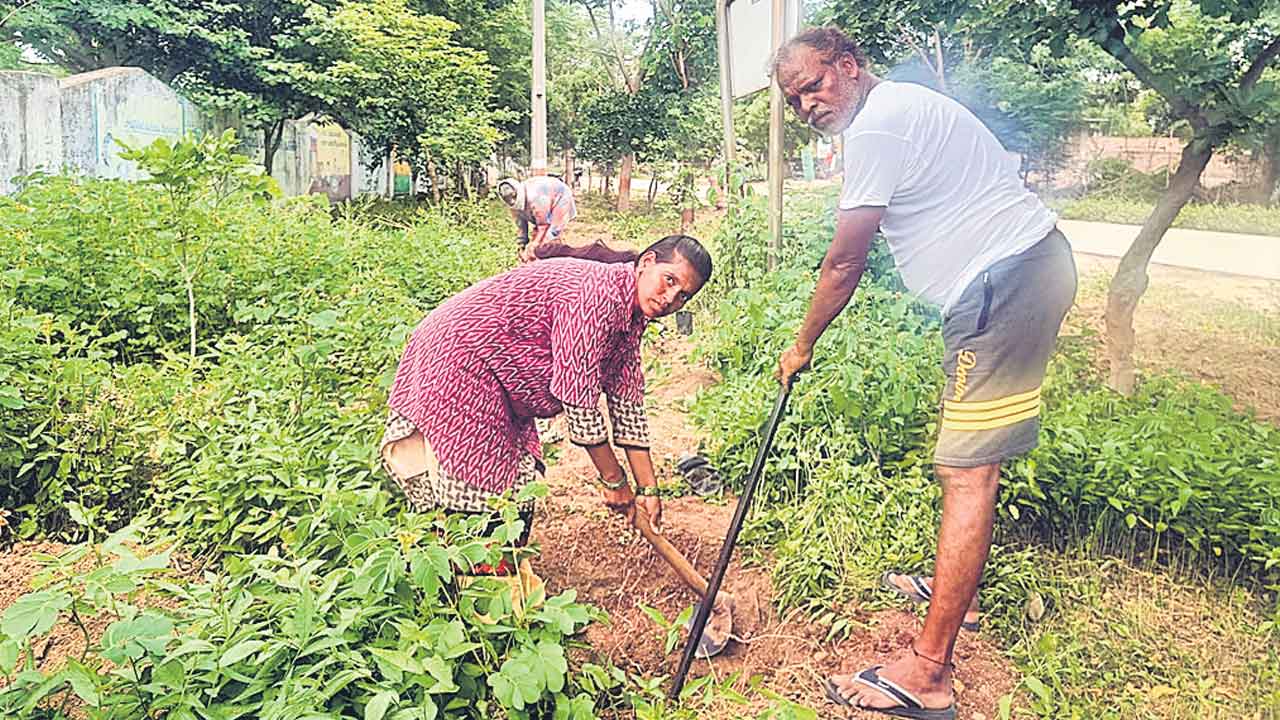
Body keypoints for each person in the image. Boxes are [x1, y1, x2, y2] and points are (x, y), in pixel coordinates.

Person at [771, 27, 1077, 719]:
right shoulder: (904, 105)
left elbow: (845, 262)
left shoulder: (878, 127)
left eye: (813, 86)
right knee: (971, 462)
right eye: (794, 101)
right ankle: (953, 600)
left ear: (848, 67)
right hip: (1024, 272)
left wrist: (802, 345)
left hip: (1002, 286)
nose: (806, 107)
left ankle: (929, 670)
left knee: (967, 471)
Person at [380, 234, 712, 572]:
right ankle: (458, 583)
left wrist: (648, 489)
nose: (670, 298)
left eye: (683, 295)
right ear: (647, 263)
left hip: (502, 381)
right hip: (459, 361)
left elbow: (626, 402)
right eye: (668, 281)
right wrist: (615, 483)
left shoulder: (631, 316)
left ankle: (497, 578)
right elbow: (579, 403)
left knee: (519, 482)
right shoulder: (596, 296)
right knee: (477, 486)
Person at [496, 176, 578, 263]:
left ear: (516, 192)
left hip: (559, 196)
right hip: (542, 207)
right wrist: (521, 246)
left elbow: (544, 226)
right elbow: (521, 227)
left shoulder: (535, 198)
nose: (511, 201)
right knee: (536, 240)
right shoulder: (513, 206)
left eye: (512, 196)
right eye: (507, 198)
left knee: (551, 235)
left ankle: (556, 260)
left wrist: (534, 246)